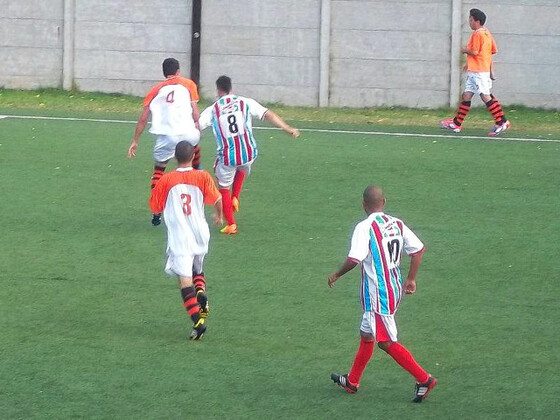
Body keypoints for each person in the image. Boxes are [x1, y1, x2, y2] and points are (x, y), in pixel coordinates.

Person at [328, 186, 437, 403]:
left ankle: (424, 379)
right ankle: (352, 381)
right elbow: (418, 249)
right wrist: (411, 279)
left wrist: (336, 274)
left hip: (379, 293)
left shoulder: (364, 227)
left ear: (363, 205)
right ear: (384, 202)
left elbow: (355, 258)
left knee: (386, 342)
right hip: (393, 287)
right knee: (367, 334)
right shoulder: (396, 223)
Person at [198, 75, 300, 234]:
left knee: (223, 185)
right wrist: (287, 128)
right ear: (231, 88)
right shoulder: (245, 102)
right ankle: (236, 196)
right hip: (249, 152)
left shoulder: (213, 110)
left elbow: (197, 126)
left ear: (218, 90)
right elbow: (269, 114)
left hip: (228, 158)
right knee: (243, 166)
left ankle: (231, 224)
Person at [149, 141, 223, 340]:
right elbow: (217, 199)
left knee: (184, 281)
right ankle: (201, 291)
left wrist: (157, 214)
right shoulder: (203, 176)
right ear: (192, 157)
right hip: (200, 233)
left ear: (175, 157)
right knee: (197, 269)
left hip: (181, 238)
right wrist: (219, 216)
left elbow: (154, 205)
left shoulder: (167, 180)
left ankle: (198, 322)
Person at [128, 58, 202, 226]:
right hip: (188, 133)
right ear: (178, 71)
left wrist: (135, 141)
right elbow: (195, 114)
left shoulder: (155, 90)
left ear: (164, 73)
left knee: (159, 171)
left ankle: (156, 212)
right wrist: (197, 128)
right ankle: (197, 174)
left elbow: (143, 119)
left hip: (167, 137)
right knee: (194, 145)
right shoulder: (188, 84)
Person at [441, 8, 511, 137]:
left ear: (477, 21)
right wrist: (487, 69)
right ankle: (456, 123)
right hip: (477, 70)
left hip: (479, 72)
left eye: (471, 19)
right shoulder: (487, 33)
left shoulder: (478, 34)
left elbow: (475, 51)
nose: (469, 21)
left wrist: (464, 49)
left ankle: (501, 122)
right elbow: (489, 52)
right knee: (467, 96)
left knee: (485, 96)